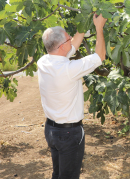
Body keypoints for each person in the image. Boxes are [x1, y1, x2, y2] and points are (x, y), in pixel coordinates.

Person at [37, 13, 107, 179]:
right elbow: (100, 56)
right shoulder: (69, 69)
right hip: (69, 135)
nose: (71, 40)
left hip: (51, 130)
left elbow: (72, 45)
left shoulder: (44, 61)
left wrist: (85, 22)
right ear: (61, 46)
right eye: (68, 38)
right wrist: (99, 28)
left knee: (58, 174)